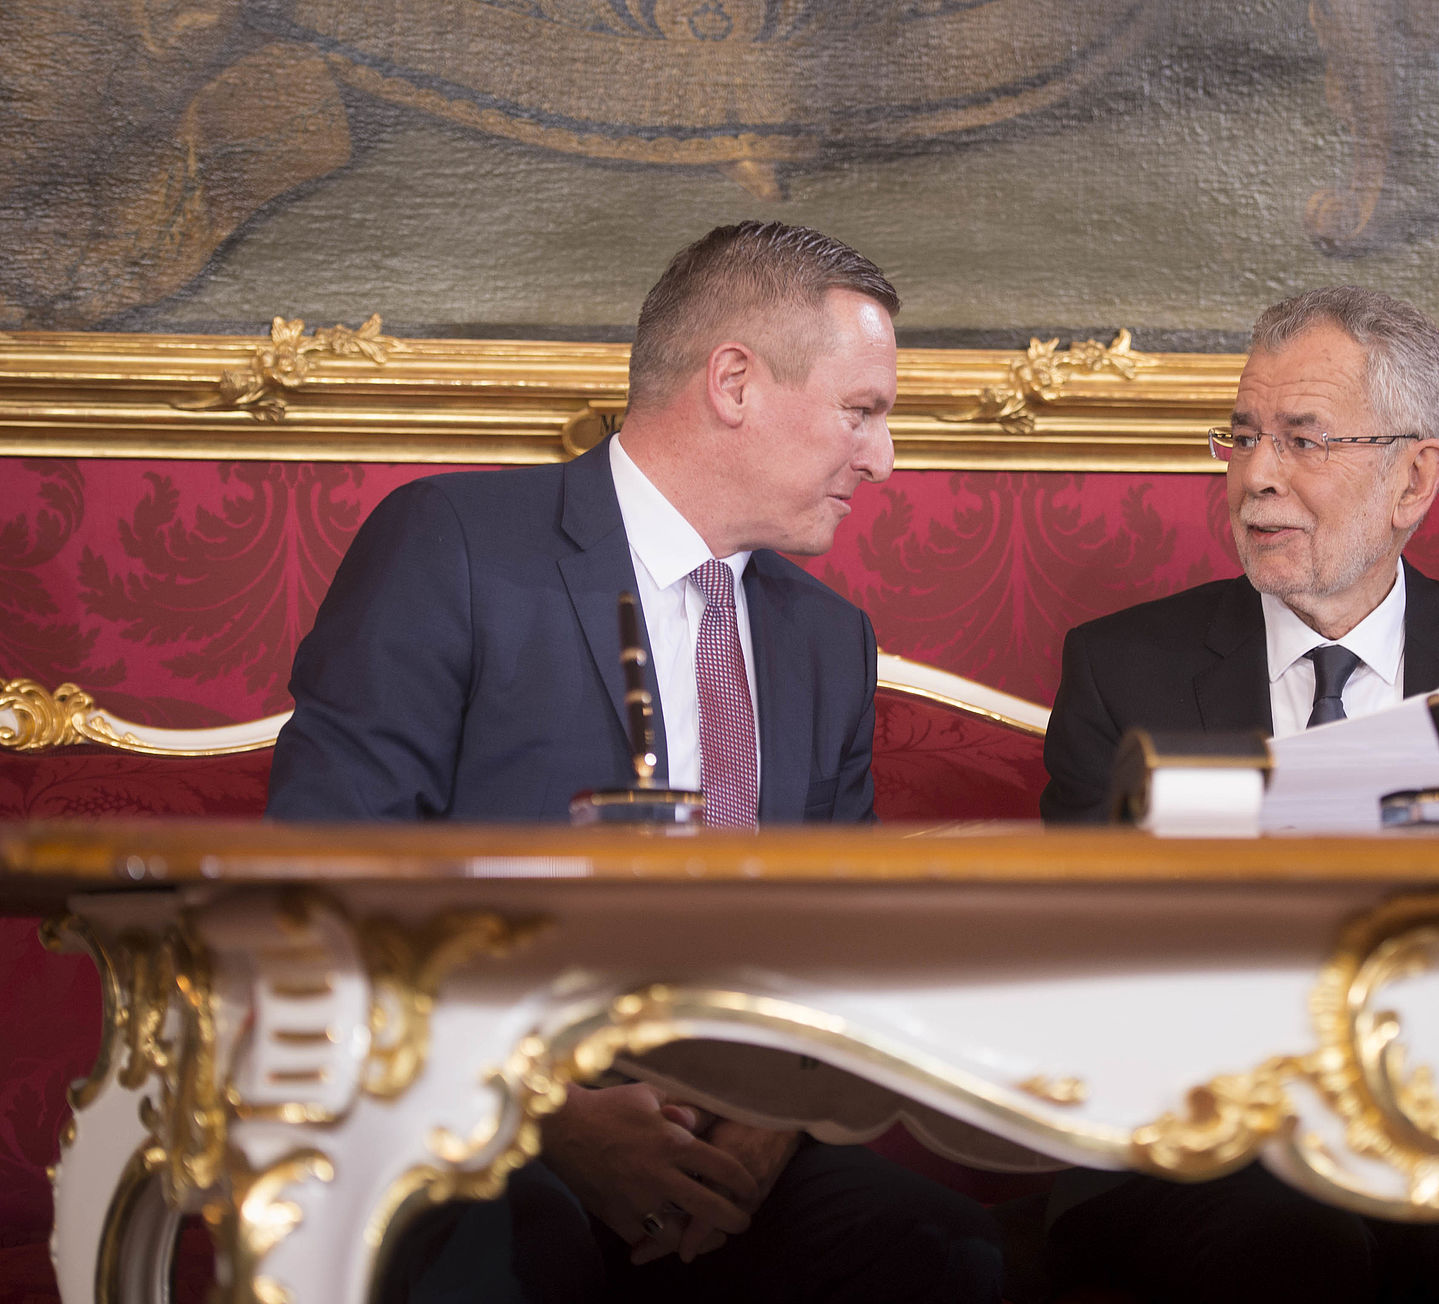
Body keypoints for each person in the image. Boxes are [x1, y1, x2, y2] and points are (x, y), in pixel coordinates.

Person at [268, 221, 1003, 1303]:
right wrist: (548, 1118)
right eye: (862, 412)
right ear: (735, 383)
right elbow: (324, 888)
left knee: (939, 1252)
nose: (882, 458)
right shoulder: (455, 544)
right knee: (515, 1248)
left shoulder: (826, 638)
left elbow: (835, 934)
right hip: (474, 1127)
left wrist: (772, 1121)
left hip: (738, 1140)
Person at [1038, 285, 1439, 1303]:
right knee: (1290, 1239)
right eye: (1242, 436)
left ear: (1414, 476)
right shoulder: (1121, 669)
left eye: (1303, 440)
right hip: (1209, 1139)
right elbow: (1073, 955)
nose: (1256, 476)